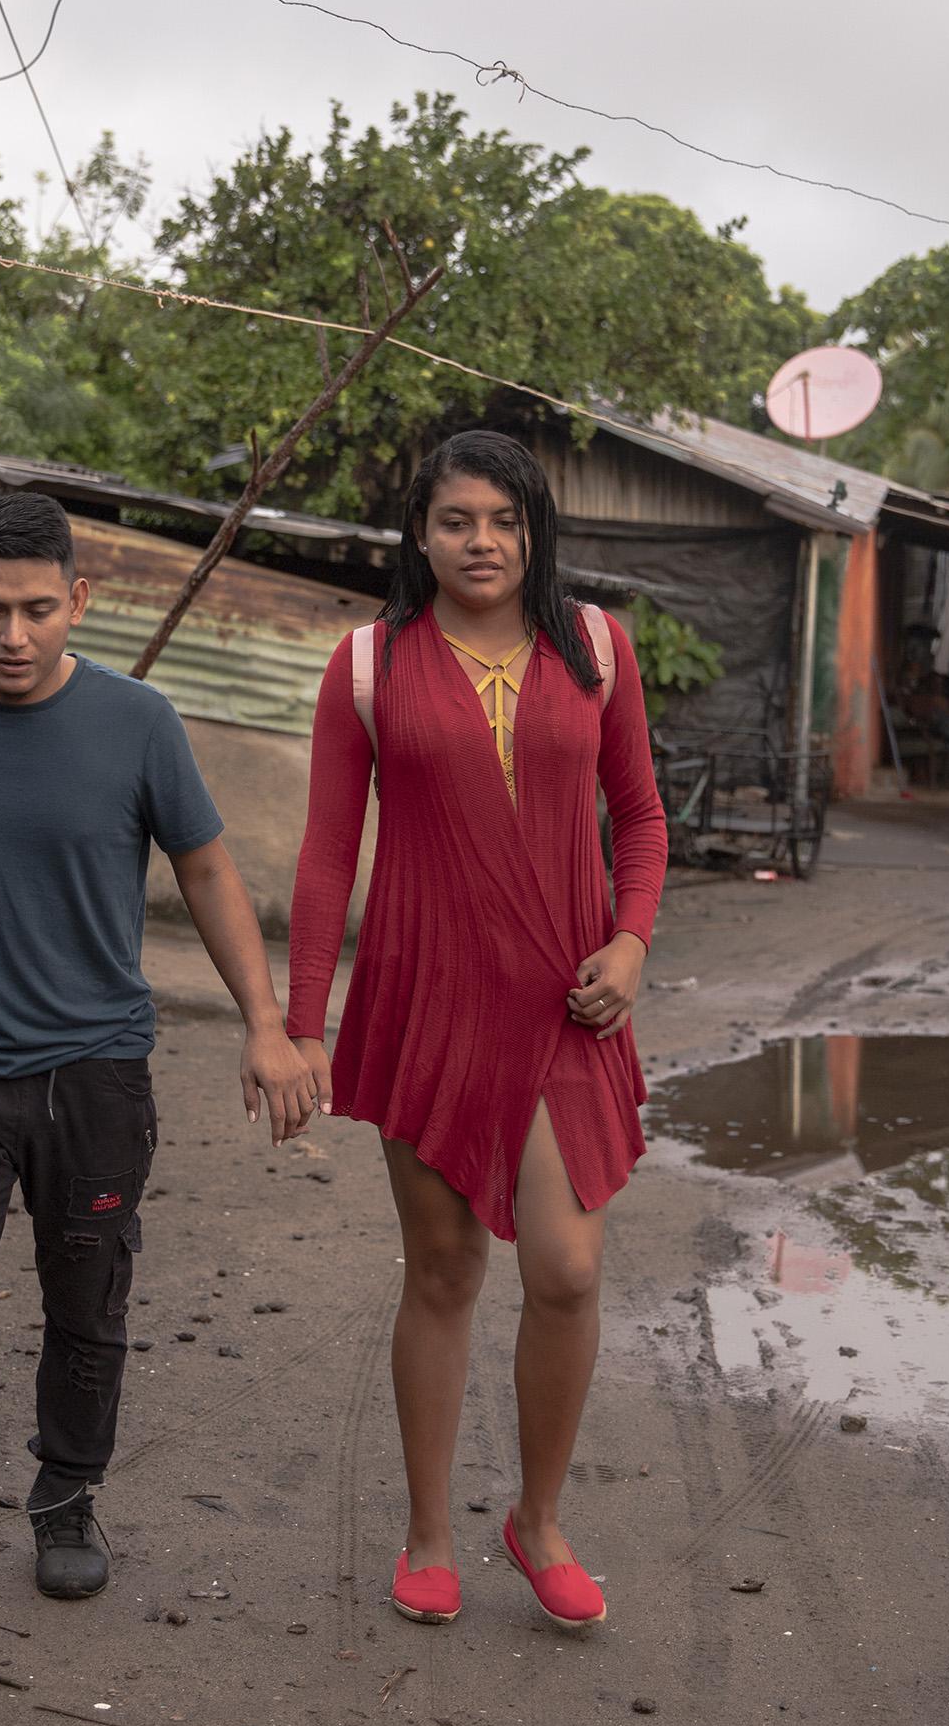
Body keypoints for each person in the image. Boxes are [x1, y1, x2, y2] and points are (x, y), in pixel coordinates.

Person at [0, 490, 316, 1691]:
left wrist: (266, 1023)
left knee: (88, 1302)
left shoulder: (139, 722)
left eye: (39, 609)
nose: (14, 635)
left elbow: (205, 868)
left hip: (95, 1077)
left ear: (80, 600)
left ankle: (67, 1491)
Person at [284, 429, 666, 1630]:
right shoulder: (366, 664)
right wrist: (302, 1025)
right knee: (445, 1268)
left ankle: (537, 1520)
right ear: (421, 532)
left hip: (567, 1000)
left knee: (566, 1266)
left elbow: (641, 818)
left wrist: (633, 941)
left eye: (503, 519)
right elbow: (326, 853)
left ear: (535, 527)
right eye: (457, 520)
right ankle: (429, 1532)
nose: (482, 541)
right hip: (426, 998)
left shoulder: (596, 647)